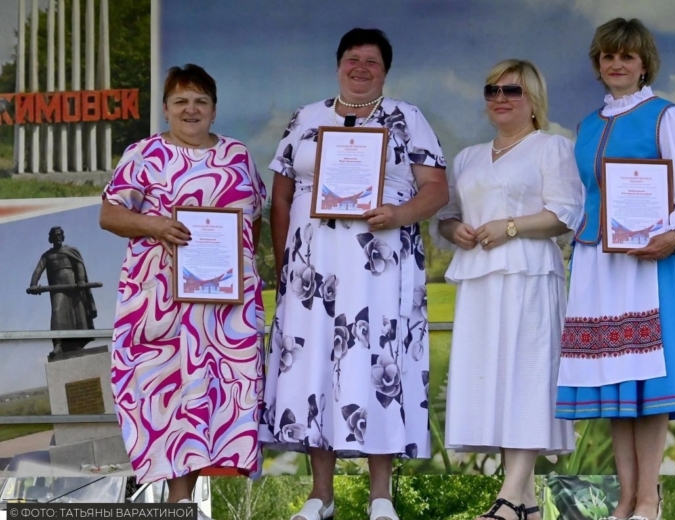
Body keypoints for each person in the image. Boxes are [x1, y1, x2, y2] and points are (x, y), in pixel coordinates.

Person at [260, 28, 448, 520]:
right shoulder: (305, 117)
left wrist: (400, 214)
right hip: (311, 269)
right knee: (313, 365)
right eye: (352, 58)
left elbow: (436, 189)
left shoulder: (407, 118)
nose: (361, 67)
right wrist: (286, 265)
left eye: (372, 61)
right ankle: (320, 495)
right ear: (338, 64)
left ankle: (380, 495)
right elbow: (280, 198)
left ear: (386, 71)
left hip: (378, 264)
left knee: (376, 360)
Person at [554, 18, 675, 520]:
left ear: (644, 63)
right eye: (608, 56)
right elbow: (581, 199)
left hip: (650, 264)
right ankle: (626, 498)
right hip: (598, 264)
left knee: (648, 384)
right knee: (616, 383)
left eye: (626, 56)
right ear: (598, 64)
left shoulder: (666, 116)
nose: (616, 64)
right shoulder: (587, 125)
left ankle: (650, 497)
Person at [99, 64, 267, 510]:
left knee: (223, 393)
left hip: (225, 307)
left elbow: (254, 218)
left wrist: (237, 265)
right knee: (167, 392)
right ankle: (178, 501)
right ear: (166, 108)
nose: (191, 109)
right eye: (181, 101)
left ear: (214, 109)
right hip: (160, 300)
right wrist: (155, 225)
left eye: (200, 101)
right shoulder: (144, 154)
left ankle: (187, 502)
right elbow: (110, 215)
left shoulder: (237, 154)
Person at [435, 60, 582, 520]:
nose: (500, 98)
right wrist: (455, 229)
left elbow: (566, 213)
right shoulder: (468, 157)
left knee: (527, 378)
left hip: (529, 276)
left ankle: (509, 495)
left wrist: (511, 226)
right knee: (495, 381)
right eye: (492, 90)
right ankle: (526, 505)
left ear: (533, 99)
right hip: (480, 278)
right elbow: (448, 215)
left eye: (512, 90)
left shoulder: (552, 148)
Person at [28, 226, 98, 357]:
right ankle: (58, 344)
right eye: (55, 235)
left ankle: (79, 343)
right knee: (57, 313)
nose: (58, 237)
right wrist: (33, 284)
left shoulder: (71, 251)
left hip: (74, 287)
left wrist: (81, 280)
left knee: (79, 314)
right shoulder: (47, 256)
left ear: (63, 236)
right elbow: (38, 269)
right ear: (51, 239)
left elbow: (79, 264)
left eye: (59, 234)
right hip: (58, 289)